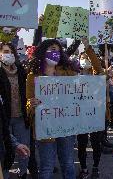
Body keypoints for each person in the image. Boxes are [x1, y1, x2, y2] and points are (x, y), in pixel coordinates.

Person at [26, 39, 79, 179]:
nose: (54, 53)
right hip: (45, 128)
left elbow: (86, 86)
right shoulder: (33, 76)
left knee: (68, 164)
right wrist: (31, 104)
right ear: (43, 53)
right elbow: (28, 103)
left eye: (56, 49)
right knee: (46, 167)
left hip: (66, 126)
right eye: (50, 49)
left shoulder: (68, 73)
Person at [0, 42, 30, 179]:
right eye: (5, 52)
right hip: (4, 118)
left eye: (11, 52)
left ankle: (23, 173)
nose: (8, 54)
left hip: (20, 117)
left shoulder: (21, 71)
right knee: (6, 150)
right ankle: (5, 174)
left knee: (24, 150)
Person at [76, 39, 105, 179]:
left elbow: (97, 64)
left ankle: (95, 166)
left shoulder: (97, 74)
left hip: (95, 114)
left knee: (95, 143)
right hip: (80, 115)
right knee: (81, 144)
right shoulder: (73, 75)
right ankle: (84, 168)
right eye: (82, 58)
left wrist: (88, 47)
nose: (85, 60)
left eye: (87, 58)